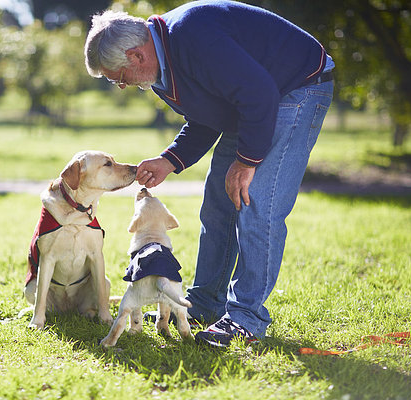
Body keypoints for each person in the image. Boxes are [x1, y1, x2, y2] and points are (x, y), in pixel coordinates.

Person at [84, 0, 334, 347]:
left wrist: (246, 163)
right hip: (251, 103)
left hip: (296, 85)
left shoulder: (193, 35)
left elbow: (258, 94)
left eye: (119, 77)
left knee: (256, 202)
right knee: (218, 202)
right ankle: (205, 302)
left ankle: (246, 318)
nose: (123, 86)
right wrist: (169, 160)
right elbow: (208, 118)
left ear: (136, 55)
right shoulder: (158, 72)